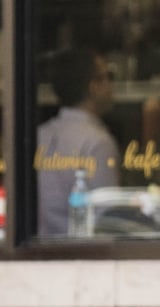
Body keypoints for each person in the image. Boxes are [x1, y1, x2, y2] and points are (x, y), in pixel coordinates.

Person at [36, 49, 120, 236]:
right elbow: (107, 218)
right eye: (109, 76)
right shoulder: (97, 142)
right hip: (82, 255)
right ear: (94, 86)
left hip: (38, 252)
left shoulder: (39, 135)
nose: (112, 86)